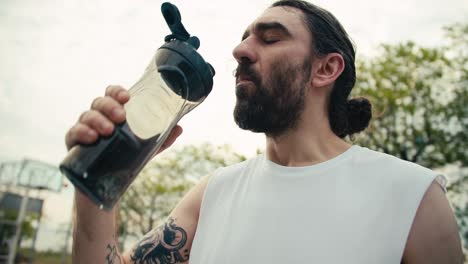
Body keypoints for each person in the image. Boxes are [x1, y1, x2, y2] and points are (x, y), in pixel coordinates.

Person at [65, 0, 463, 263]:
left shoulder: (413, 195)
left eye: (270, 38)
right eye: (243, 41)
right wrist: (100, 187)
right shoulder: (212, 194)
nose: (240, 52)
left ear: (326, 69)